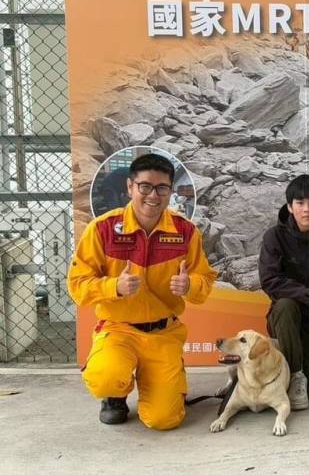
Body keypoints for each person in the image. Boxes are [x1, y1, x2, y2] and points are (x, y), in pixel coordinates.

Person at [67, 153, 217, 429]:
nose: (153, 195)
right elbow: (77, 285)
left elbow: (204, 280)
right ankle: (115, 395)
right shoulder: (102, 229)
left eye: (162, 188)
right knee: (106, 376)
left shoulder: (185, 232)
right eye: (145, 186)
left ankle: (162, 381)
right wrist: (115, 287)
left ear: (171, 191)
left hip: (163, 333)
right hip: (118, 329)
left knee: (164, 420)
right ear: (130, 187)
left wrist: (189, 285)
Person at [258, 175, 309, 410]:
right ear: (289, 207)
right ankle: (294, 375)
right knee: (285, 304)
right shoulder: (275, 237)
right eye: (300, 203)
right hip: (286, 319)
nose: (307, 209)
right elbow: (270, 280)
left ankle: (297, 361)